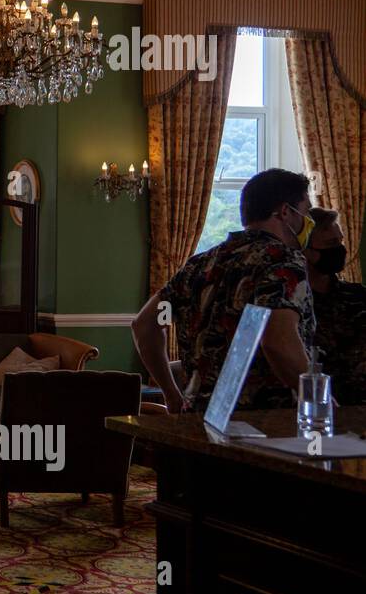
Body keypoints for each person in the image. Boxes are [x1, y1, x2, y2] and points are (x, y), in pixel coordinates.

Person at [131, 168, 315, 413]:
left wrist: (172, 394)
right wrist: (318, 401)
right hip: (264, 423)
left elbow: (145, 325)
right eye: (305, 212)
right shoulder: (281, 261)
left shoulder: (200, 265)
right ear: (284, 212)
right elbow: (278, 341)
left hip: (198, 418)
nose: (307, 222)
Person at [303, 207, 366, 405]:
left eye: (340, 242)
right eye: (331, 243)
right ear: (305, 250)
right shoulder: (292, 302)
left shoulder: (358, 295)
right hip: (317, 406)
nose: (340, 250)